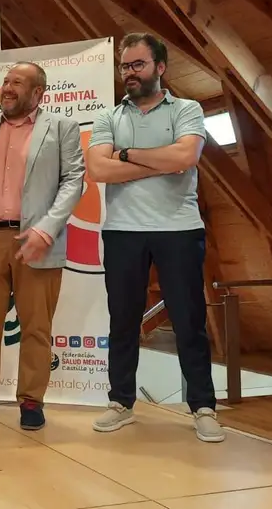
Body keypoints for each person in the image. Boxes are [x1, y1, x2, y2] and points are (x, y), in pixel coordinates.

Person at [86, 32, 224, 443]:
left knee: (189, 321)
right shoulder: (109, 117)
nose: (128, 72)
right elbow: (99, 171)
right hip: (122, 232)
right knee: (123, 320)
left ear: (160, 68)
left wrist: (125, 154)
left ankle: (203, 406)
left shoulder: (187, 108)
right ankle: (121, 403)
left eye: (137, 64)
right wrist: (159, 161)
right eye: (125, 65)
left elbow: (186, 157)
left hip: (179, 229)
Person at [0, 62, 84, 430]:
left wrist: (47, 229)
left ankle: (31, 402)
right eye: (5, 81)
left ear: (38, 93)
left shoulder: (61, 128)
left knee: (37, 327)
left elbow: (74, 180)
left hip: (37, 240)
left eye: (17, 83)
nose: (7, 88)